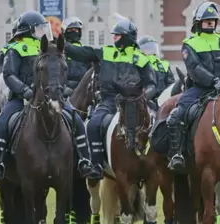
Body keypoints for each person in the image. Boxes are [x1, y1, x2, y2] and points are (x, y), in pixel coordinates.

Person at [0, 11, 95, 181]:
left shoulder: (49, 47)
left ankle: (84, 160)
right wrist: (25, 91)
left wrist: (63, 89)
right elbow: (9, 74)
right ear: (28, 31)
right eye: (39, 29)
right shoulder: (15, 48)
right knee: (1, 123)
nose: (43, 32)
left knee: (77, 120)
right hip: (20, 97)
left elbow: (58, 72)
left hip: (50, 97)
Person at [64, 15, 157, 180]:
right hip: (108, 101)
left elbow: (152, 85)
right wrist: (59, 43)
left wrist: (142, 98)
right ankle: (97, 165)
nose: (114, 37)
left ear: (126, 37)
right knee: (92, 125)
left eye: (117, 35)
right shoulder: (105, 52)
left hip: (134, 103)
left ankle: (160, 161)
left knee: (159, 123)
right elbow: (80, 53)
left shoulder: (141, 59)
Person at [166, 1, 220, 173]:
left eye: (213, 20)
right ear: (198, 22)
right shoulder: (190, 43)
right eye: (206, 20)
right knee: (176, 115)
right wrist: (213, 81)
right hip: (200, 88)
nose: (210, 23)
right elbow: (194, 68)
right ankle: (177, 154)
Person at [138, 35, 174, 113]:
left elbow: (171, 85)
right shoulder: (140, 64)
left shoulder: (164, 64)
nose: (150, 51)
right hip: (146, 101)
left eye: (152, 48)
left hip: (164, 101)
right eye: (147, 49)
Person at [62, 16, 90, 96]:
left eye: (76, 30)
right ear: (65, 31)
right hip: (65, 89)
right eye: (70, 30)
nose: (74, 32)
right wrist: (63, 88)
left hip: (83, 90)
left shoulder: (85, 50)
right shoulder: (61, 50)